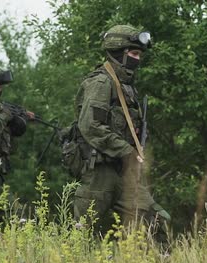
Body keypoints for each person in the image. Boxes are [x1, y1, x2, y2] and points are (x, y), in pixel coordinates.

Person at [72, 24, 171, 244]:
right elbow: (91, 125)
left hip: (124, 172)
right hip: (100, 173)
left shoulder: (127, 87)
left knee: (155, 222)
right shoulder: (101, 82)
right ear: (120, 52)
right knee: (82, 236)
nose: (138, 59)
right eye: (134, 53)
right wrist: (126, 150)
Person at [0, 64, 33, 207]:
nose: (0, 86)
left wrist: (16, 122)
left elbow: (11, 148)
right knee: (16, 216)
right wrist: (5, 115)